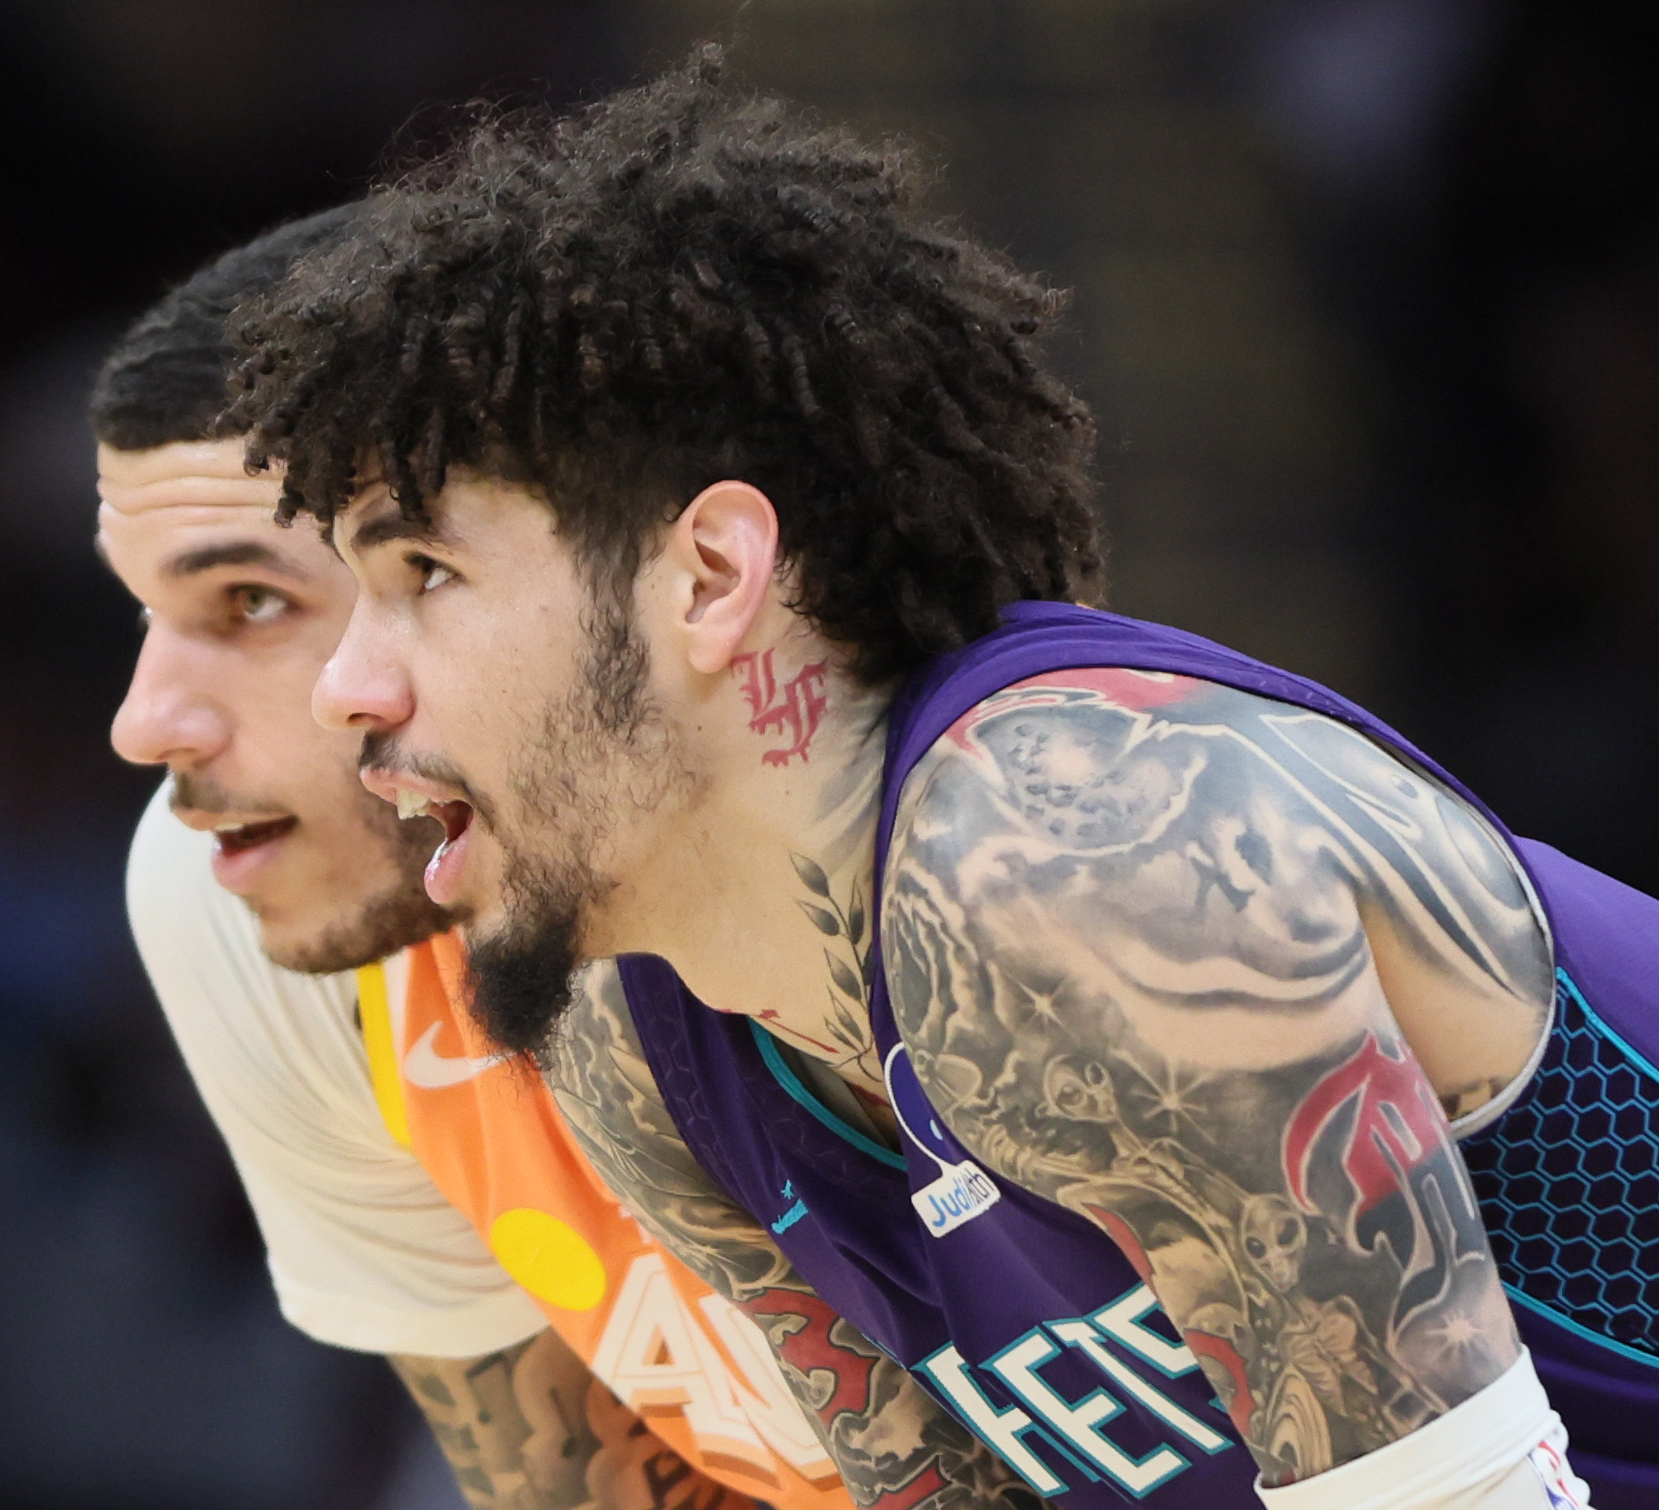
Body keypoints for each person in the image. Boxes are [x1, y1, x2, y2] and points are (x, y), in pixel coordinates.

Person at [229, 52, 1658, 1510]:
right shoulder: (638, 1042)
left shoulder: (1067, 851)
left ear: (711, 577)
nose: (350, 684)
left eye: (424, 572)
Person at [92, 209, 1038, 1509]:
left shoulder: (1024, 885)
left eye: (254, 602)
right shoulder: (243, 892)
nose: (146, 720)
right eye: (149, 609)